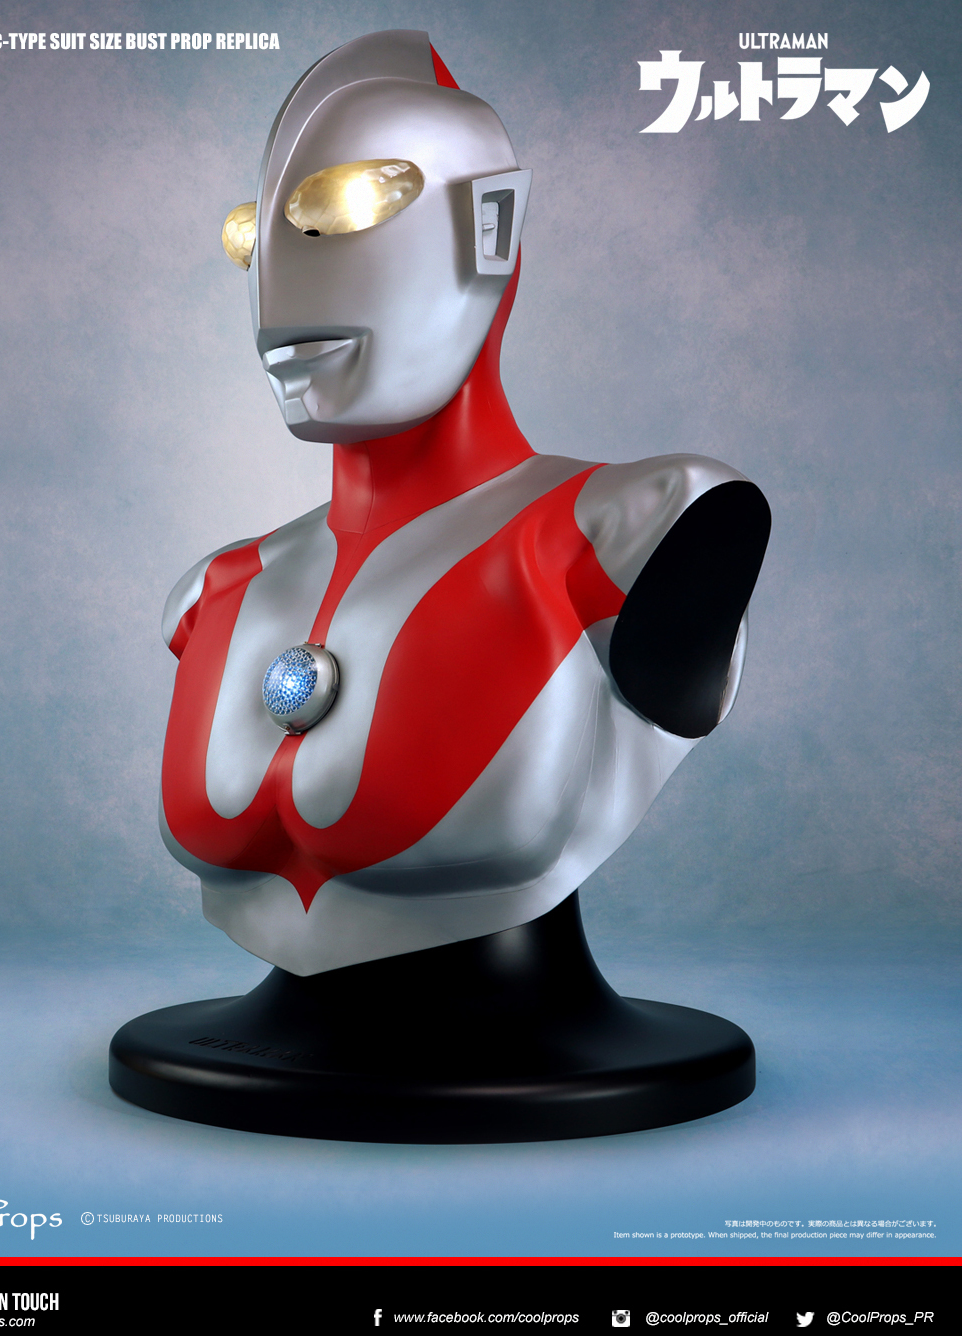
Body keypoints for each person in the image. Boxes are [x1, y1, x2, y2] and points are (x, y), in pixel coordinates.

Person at [158, 30, 770, 979]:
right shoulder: (218, 588)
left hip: (528, 1031)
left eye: (340, 208)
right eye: (251, 232)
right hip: (260, 1039)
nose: (274, 274)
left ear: (491, 229)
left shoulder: (639, 531)